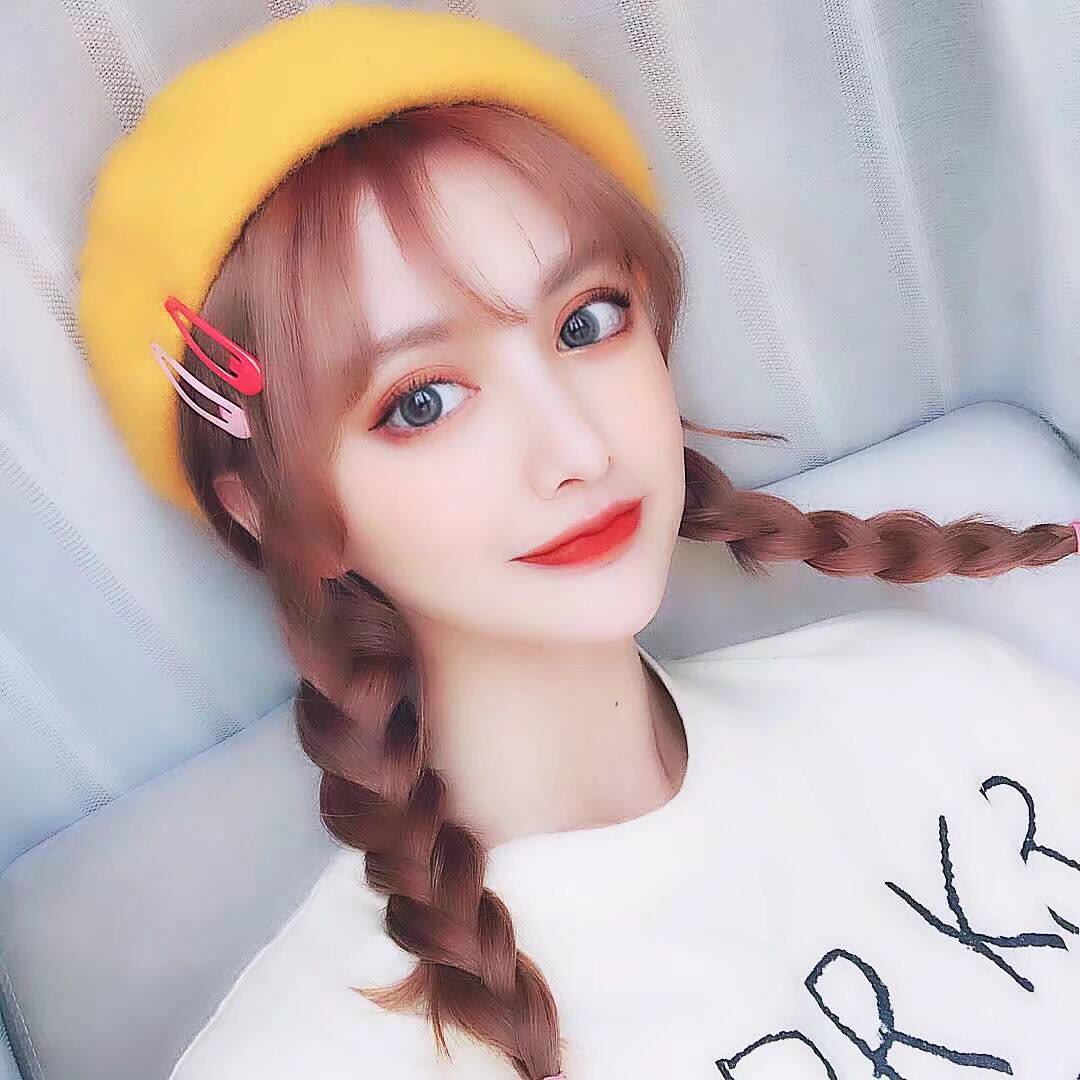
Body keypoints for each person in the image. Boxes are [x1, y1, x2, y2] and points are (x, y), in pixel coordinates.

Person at [76, 5, 1080, 1078]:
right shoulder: (312, 1057)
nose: (576, 447)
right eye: (421, 402)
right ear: (272, 515)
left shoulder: (935, 701)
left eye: (586, 322)